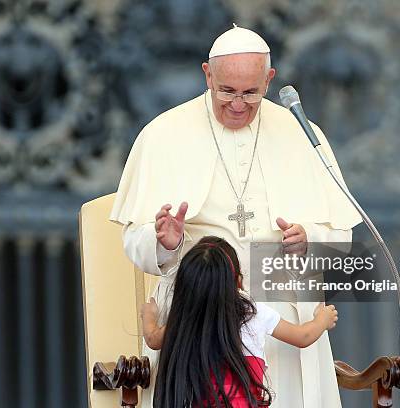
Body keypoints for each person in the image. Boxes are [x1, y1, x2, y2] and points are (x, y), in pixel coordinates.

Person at [110, 24, 361, 407]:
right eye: (226, 91)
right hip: (199, 311)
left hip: (282, 304)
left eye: (251, 92)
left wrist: (308, 236)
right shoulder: (162, 134)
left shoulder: (302, 133)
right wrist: (164, 244)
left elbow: (342, 239)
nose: (238, 104)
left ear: (269, 79)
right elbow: (134, 242)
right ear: (207, 75)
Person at [140, 236, 339, 407]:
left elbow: (153, 339)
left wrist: (149, 315)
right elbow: (302, 336)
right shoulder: (252, 312)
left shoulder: (188, 318)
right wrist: (322, 320)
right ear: (237, 279)